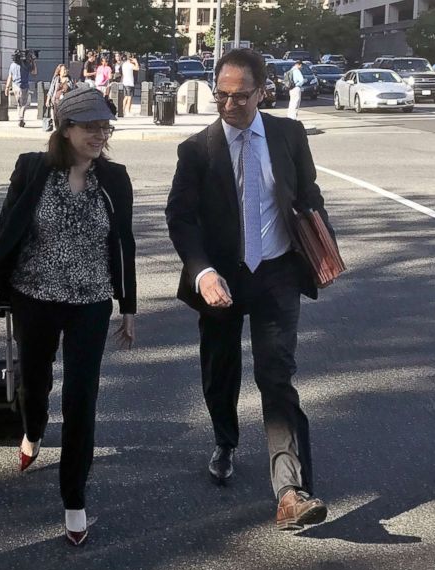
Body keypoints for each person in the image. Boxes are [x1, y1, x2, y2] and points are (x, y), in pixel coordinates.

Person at [164, 49, 335, 531]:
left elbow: (308, 194)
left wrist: (320, 239)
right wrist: (202, 272)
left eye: (240, 96)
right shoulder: (196, 150)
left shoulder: (289, 135)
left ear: (263, 92)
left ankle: (290, 489)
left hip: (278, 272)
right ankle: (225, 440)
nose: (229, 105)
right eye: (221, 94)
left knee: (276, 376)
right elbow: (180, 218)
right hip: (220, 276)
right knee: (221, 369)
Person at [0, 87, 137, 547]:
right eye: (91, 127)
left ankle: (74, 498)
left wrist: (128, 306)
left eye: (106, 127)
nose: (100, 135)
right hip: (35, 296)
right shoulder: (33, 169)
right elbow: (9, 225)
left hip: (91, 301)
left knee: (81, 399)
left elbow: (123, 243)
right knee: (35, 380)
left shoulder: (115, 178)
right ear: (65, 128)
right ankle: (32, 430)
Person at [5, 50, 38, 128]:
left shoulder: (12, 65)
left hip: (15, 86)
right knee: (24, 104)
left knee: (19, 104)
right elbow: (34, 72)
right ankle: (21, 119)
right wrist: (33, 61)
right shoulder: (25, 65)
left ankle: (20, 118)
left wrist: (7, 87)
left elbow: (10, 76)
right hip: (23, 86)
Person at [45, 64, 73, 131]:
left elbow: (72, 89)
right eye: (64, 70)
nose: (65, 71)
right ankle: (57, 129)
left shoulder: (69, 79)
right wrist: (48, 99)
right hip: (56, 101)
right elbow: (51, 89)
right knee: (55, 117)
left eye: (66, 70)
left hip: (65, 102)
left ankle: (61, 129)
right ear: (59, 71)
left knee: (63, 117)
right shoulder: (56, 78)